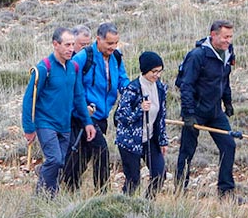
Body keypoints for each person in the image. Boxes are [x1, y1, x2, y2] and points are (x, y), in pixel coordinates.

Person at [20, 27, 92, 196]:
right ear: (55, 44)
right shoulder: (44, 67)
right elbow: (29, 99)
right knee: (55, 159)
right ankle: (41, 196)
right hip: (45, 123)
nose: (71, 49)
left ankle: (50, 195)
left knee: (60, 163)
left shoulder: (73, 67)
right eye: (67, 45)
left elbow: (79, 96)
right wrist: (29, 128)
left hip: (64, 124)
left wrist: (87, 122)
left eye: (73, 45)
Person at [175, 20, 238, 198]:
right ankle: (180, 191)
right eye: (225, 37)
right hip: (195, 112)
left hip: (215, 112)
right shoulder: (197, 56)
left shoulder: (227, 53)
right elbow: (186, 86)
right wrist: (188, 114)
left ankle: (226, 191)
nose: (228, 41)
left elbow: (225, 80)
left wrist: (228, 102)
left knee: (229, 145)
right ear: (213, 35)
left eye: (230, 37)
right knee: (187, 152)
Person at [67, 23, 128, 191]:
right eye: (109, 43)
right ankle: (102, 193)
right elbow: (70, 84)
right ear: (98, 39)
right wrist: (82, 107)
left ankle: (66, 184)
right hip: (84, 115)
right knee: (101, 150)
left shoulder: (116, 57)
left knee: (83, 155)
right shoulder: (83, 57)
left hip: (102, 115)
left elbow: (123, 80)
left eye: (116, 43)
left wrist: (133, 92)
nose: (113, 47)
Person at [116, 51, 168, 196]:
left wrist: (163, 140)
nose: (157, 75)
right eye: (154, 71)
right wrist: (139, 110)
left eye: (160, 71)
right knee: (133, 180)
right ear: (145, 70)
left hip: (150, 138)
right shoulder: (132, 89)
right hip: (130, 141)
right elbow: (121, 116)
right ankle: (124, 208)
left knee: (159, 174)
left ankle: (147, 204)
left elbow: (161, 116)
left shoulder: (160, 88)